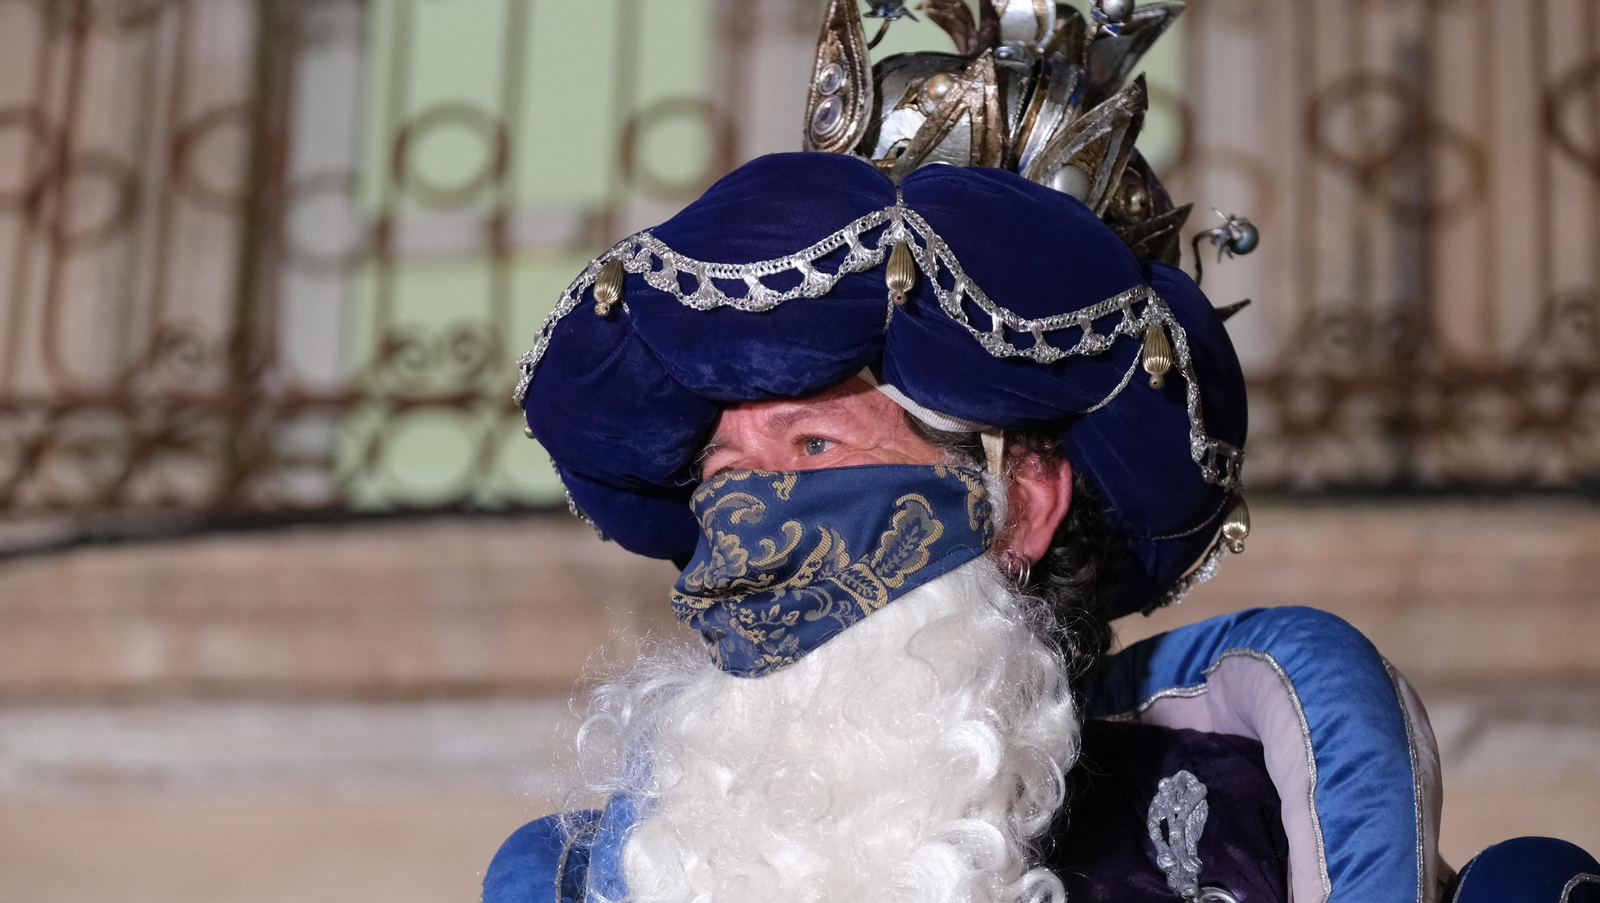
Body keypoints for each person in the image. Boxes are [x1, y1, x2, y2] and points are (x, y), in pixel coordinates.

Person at [486, 3, 1599, 901]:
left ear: (1019, 502)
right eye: (724, 477)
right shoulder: (594, 876)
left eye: (814, 444)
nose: (750, 523)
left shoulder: (1242, 821)